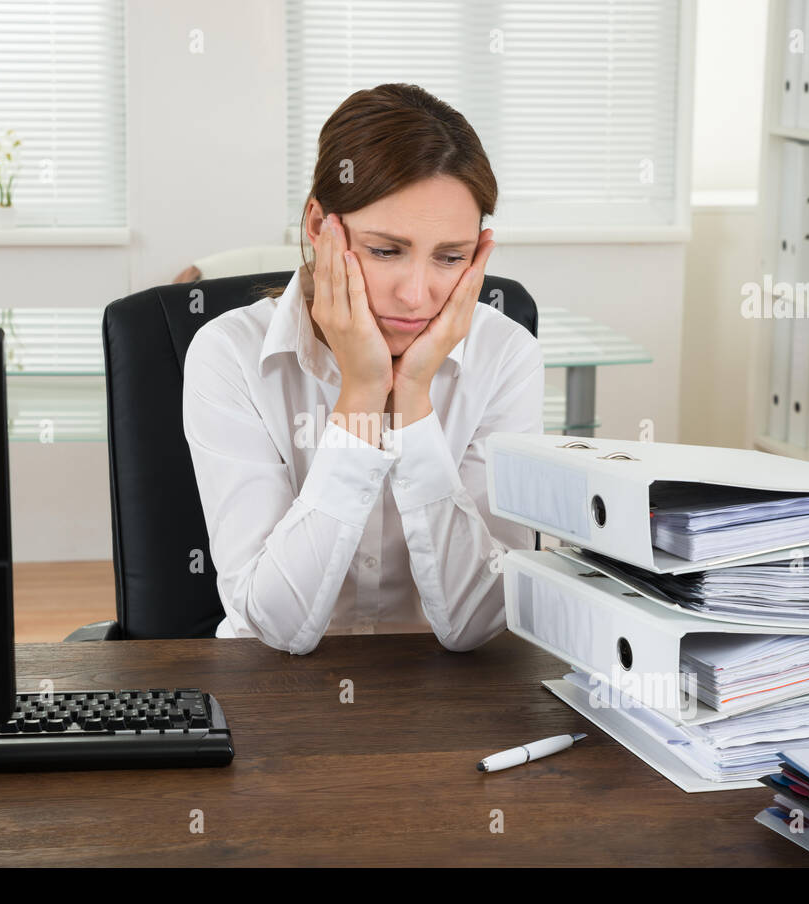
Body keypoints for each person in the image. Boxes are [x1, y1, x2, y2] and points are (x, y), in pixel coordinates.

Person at [182, 82, 544, 655]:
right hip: (269, 690)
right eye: (384, 251)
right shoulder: (228, 355)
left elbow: (477, 623)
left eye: (450, 258)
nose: (416, 294)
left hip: (447, 697)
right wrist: (363, 395)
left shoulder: (506, 358)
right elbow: (276, 626)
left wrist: (415, 400)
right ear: (318, 225)